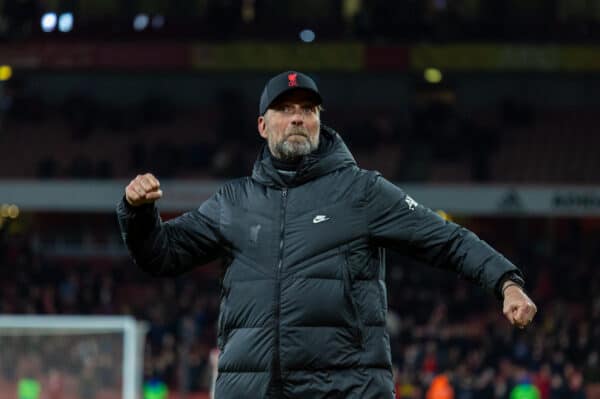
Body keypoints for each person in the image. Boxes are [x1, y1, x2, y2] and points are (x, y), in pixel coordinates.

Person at [116, 71, 538, 398]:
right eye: (285, 109)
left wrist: (506, 282)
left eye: (308, 108)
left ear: (319, 121)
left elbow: (444, 239)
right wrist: (137, 212)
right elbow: (160, 255)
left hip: (345, 389)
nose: (298, 116)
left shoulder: (362, 191)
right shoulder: (233, 202)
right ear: (263, 126)